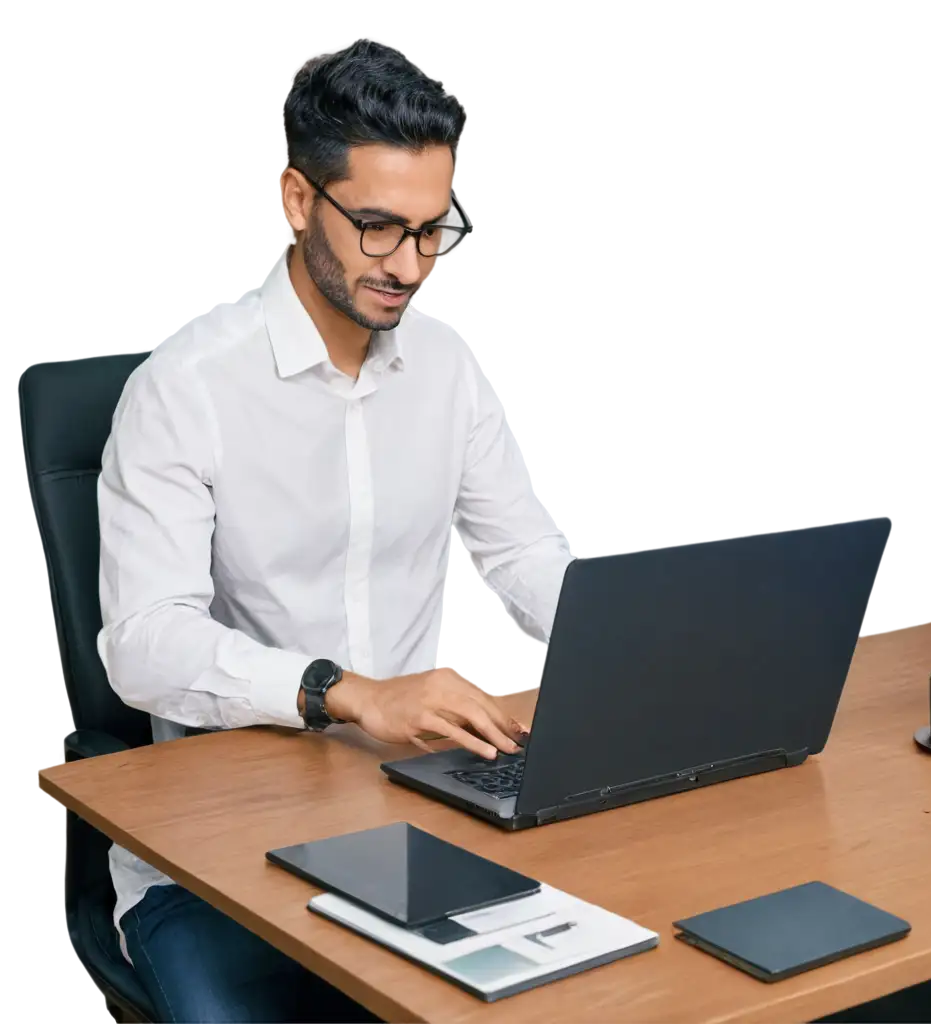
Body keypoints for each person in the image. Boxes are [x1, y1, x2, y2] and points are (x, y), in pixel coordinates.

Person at [96, 40, 575, 1023]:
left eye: (431, 231)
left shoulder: (447, 367)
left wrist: (632, 648)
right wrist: (349, 694)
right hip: (213, 856)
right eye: (377, 228)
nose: (408, 265)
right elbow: (143, 645)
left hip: (413, 815)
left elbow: (523, 552)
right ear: (296, 199)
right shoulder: (184, 388)